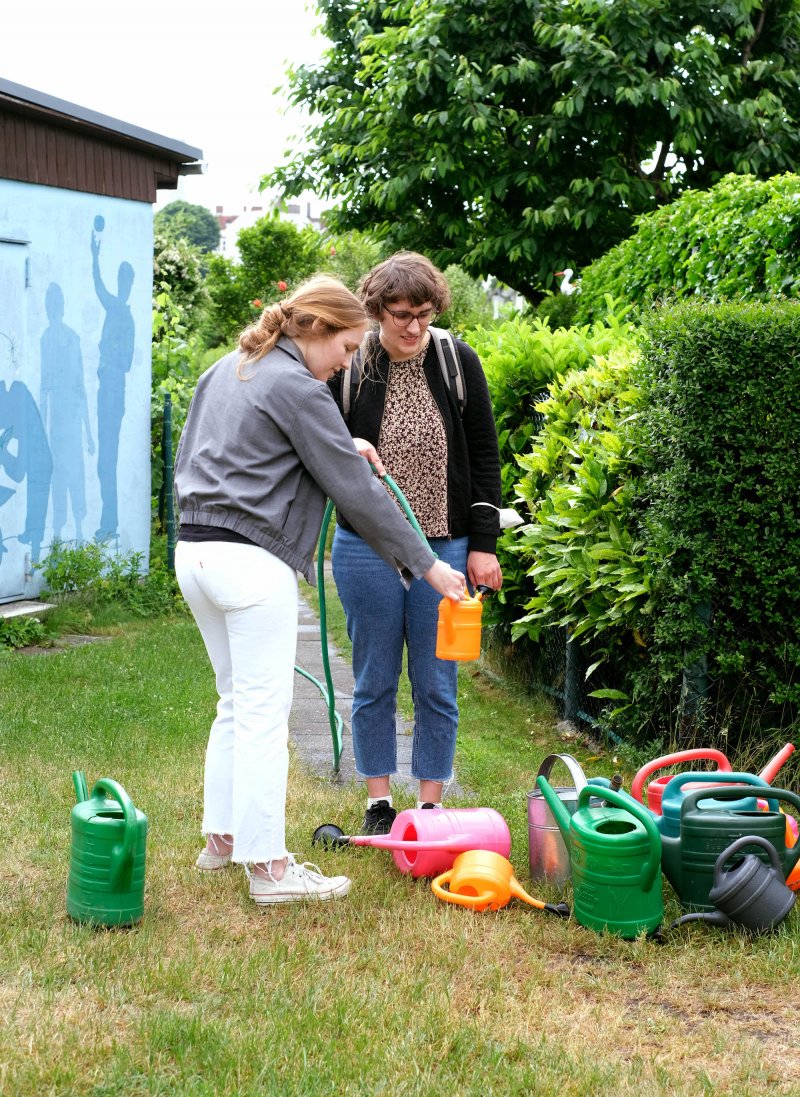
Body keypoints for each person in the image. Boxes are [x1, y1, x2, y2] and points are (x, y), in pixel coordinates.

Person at [173, 274, 466, 906]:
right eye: (347, 348)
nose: (346, 364)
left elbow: (216, 453)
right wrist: (429, 566)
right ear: (318, 329)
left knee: (233, 703)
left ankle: (220, 840)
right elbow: (358, 493)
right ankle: (270, 869)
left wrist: (343, 441)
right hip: (251, 564)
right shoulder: (301, 386)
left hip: (193, 552)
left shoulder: (230, 367)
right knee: (261, 715)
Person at [328, 252, 503, 835]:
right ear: (376, 311)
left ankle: (430, 807)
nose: (413, 328)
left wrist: (484, 544)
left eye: (424, 315)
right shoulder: (350, 366)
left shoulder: (456, 361)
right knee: (374, 677)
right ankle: (379, 802)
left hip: (448, 549)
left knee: (436, 681)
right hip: (366, 548)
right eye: (401, 315)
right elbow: (324, 451)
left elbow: (484, 456)